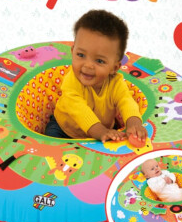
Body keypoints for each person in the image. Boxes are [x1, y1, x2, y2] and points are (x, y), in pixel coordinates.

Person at [44, 10, 147, 145]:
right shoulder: (71, 82)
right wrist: (101, 132)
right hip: (64, 129)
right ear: (73, 51)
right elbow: (80, 111)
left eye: (99, 61)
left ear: (114, 67)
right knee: (50, 140)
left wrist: (134, 123)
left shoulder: (116, 83)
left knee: (116, 142)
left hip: (104, 130)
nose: (88, 65)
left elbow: (126, 101)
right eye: (81, 55)